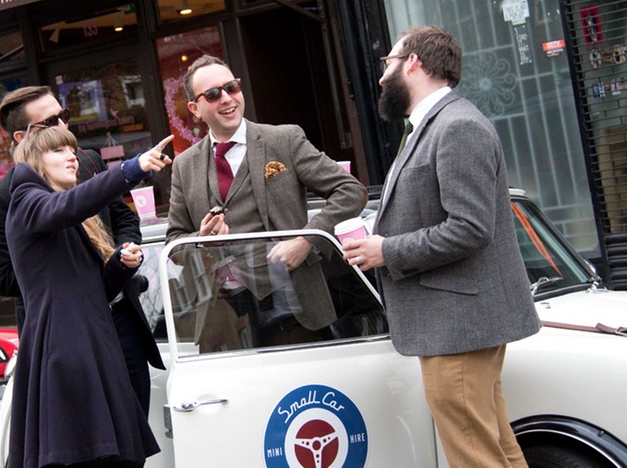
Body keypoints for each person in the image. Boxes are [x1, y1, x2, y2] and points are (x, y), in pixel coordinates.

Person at [341, 26, 541, 467]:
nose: (381, 77)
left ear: (412, 62)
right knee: (498, 450)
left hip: (459, 327)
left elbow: (470, 229)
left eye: (387, 63)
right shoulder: (436, 125)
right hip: (458, 324)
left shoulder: (457, 126)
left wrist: (386, 251)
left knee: (475, 457)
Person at [0, 86, 165, 416]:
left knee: (134, 436)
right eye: (51, 121)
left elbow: (124, 219)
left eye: (64, 115)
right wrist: (78, 276)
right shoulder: (8, 196)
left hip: (121, 321)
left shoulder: (87, 160)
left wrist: (122, 255)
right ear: (23, 137)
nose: (64, 126)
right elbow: (4, 278)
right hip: (67, 339)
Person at [166, 55, 367, 348]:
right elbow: (174, 241)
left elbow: (350, 190)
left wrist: (307, 239)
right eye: (213, 94)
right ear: (195, 109)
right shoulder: (184, 165)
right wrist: (202, 240)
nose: (226, 99)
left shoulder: (283, 140)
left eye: (231, 87)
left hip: (293, 307)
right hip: (223, 319)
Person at [6, 121, 173, 467]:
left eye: (71, 149)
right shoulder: (26, 199)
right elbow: (68, 206)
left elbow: (89, 290)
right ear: (36, 160)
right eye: (59, 150)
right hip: (67, 355)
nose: (72, 157)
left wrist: (120, 266)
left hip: (92, 348)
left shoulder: (58, 208)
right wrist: (130, 169)